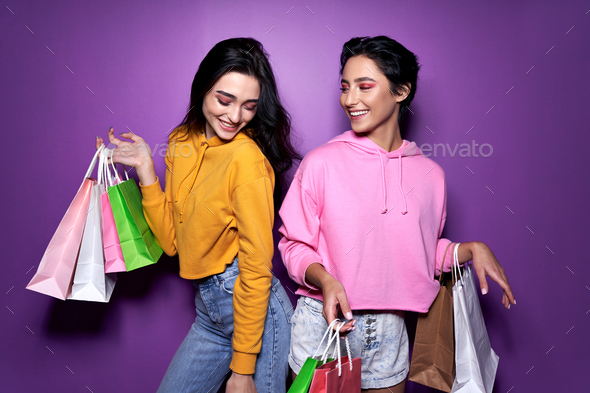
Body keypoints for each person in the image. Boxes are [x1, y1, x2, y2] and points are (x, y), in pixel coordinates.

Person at [278, 36, 516, 393]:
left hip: (391, 331)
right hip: (324, 324)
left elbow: (419, 254)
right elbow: (294, 245)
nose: (350, 99)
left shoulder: (431, 176)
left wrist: (470, 249)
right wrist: (326, 281)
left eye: (365, 86)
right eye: (345, 87)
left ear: (401, 91)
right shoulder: (321, 163)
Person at [96, 37, 300, 393]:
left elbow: (256, 267)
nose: (235, 116)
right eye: (224, 100)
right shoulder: (180, 142)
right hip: (209, 312)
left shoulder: (246, 160)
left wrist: (242, 370)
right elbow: (172, 244)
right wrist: (146, 169)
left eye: (249, 106)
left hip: (255, 314)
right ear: (203, 88)